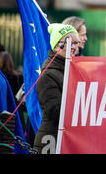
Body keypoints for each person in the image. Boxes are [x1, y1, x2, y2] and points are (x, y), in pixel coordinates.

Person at [34, 23, 80, 154]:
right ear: (57, 46)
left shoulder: (72, 69)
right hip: (51, 141)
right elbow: (55, 111)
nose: (74, 47)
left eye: (77, 43)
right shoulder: (48, 75)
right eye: (70, 42)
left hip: (68, 140)